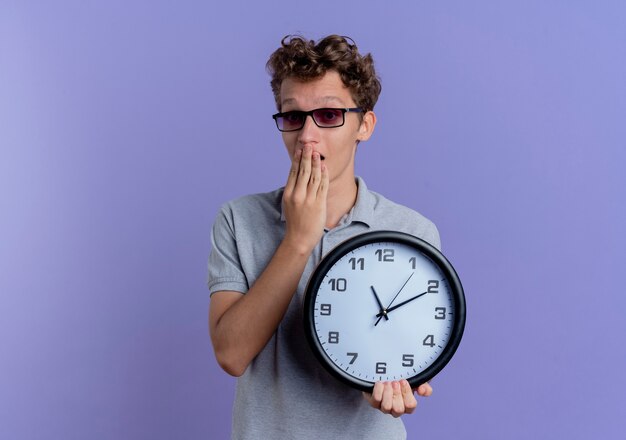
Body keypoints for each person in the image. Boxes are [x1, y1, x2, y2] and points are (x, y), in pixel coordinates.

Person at [208, 35, 440, 439]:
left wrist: (379, 386)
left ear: (364, 125)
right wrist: (299, 239)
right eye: (293, 117)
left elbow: (403, 346)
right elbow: (231, 355)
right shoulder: (238, 219)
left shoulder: (411, 231)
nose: (307, 136)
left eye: (329, 115)